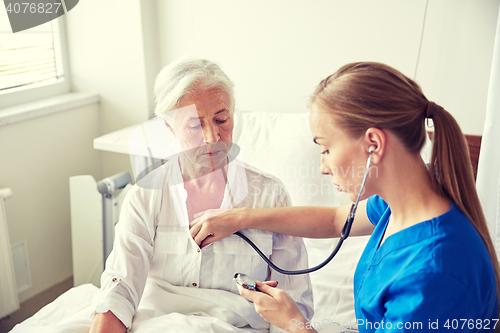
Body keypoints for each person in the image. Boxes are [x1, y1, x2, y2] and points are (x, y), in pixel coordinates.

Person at [190, 62, 500, 332]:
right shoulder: (413, 196)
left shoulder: (433, 276)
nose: (323, 167)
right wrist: (238, 218)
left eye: (325, 149)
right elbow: (336, 219)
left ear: (374, 145)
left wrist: (294, 323)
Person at [89, 58, 313, 333]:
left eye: (222, 119)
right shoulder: (146, 196)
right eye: (195, 125)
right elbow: (119, 289)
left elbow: (294, 304)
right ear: (170, 127)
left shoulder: (269, 194)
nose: (212, 137)